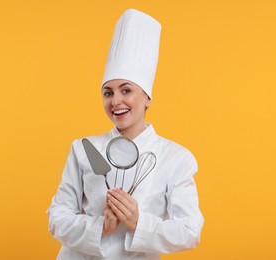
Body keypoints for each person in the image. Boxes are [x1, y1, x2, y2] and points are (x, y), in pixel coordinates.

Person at [47, 8, 204, 259]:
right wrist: (102, 227)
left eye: (126, 90)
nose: (116, 101)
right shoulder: (83, 148)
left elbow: (190, 230)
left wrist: (138, 223)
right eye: (108, 92)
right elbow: (57, 218)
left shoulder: (176, 158)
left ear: (147, 97)